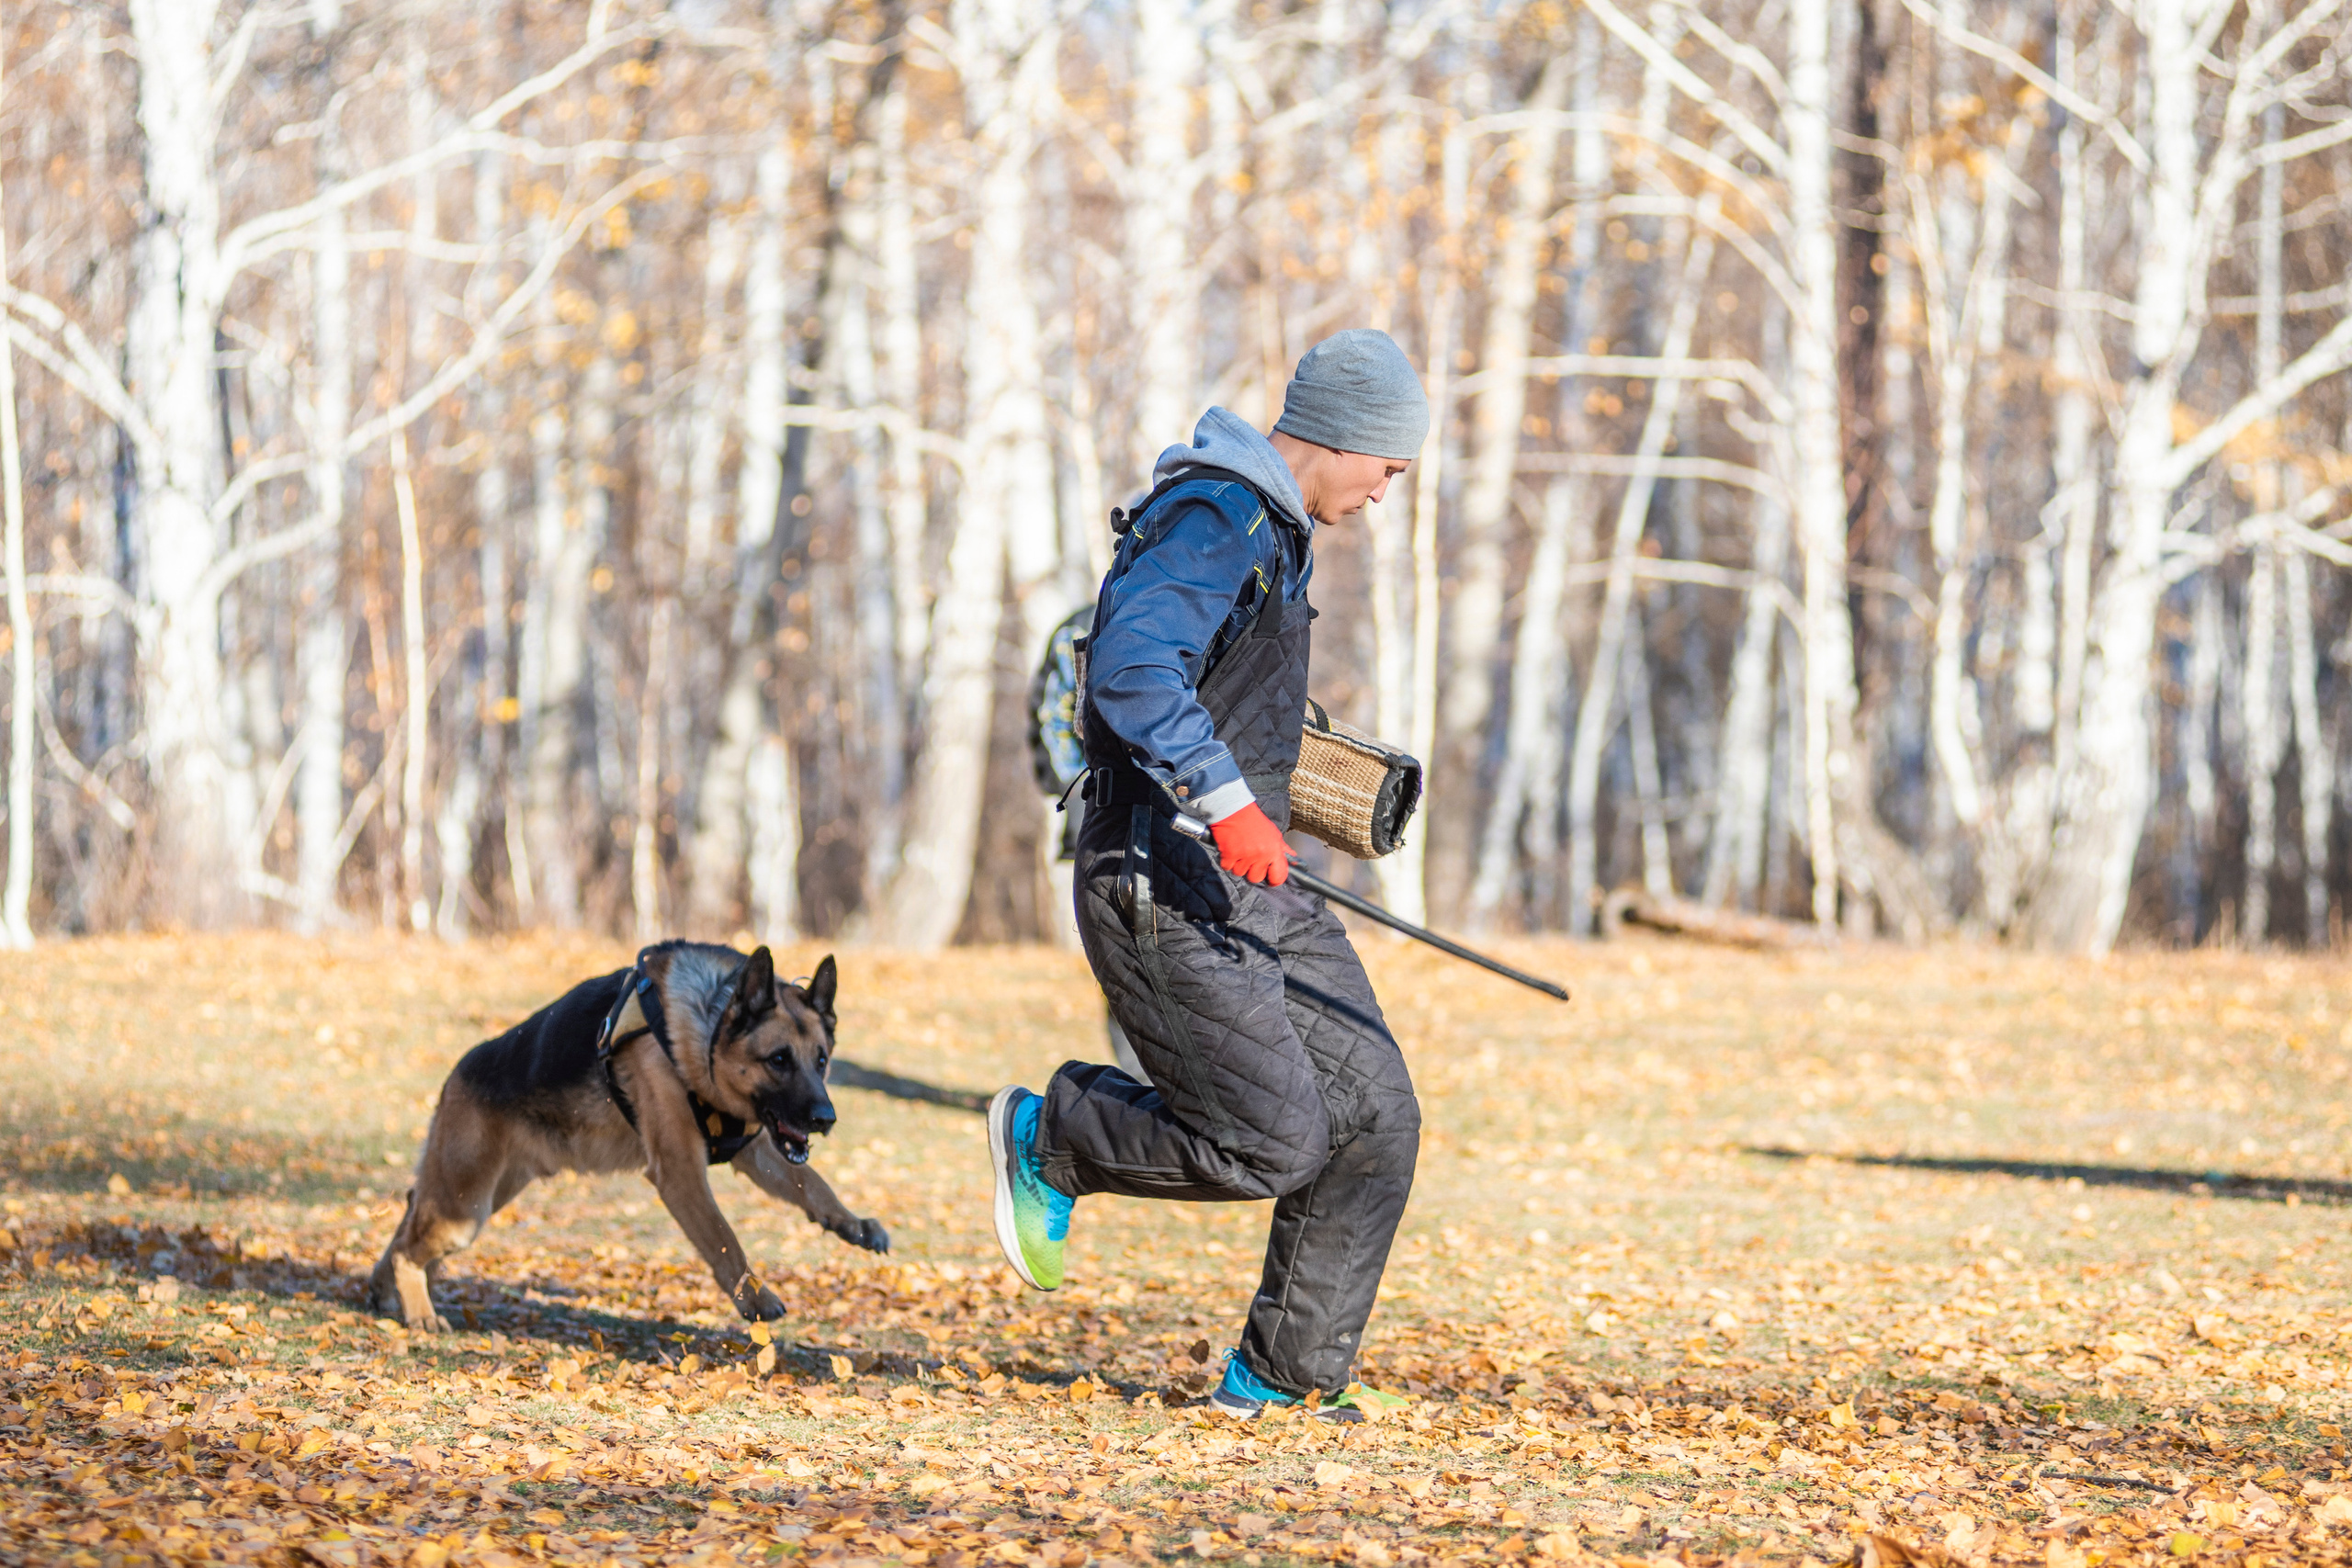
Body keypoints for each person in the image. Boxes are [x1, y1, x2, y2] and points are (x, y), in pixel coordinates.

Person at [987, 330, 1426, 1420]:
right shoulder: (1215, 515)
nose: (1385, 493)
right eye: (1388, 467)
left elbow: (1214, 681)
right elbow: (1132, 667)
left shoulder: (1273, 528)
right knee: (1270, 1139)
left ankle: (1279, 1386)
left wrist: (1293, 766)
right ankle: (1054, 1133)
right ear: (1342, 439)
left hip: (1251, 879)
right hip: (1160, 878)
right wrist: (1227, 800)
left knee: (1374, 1115)